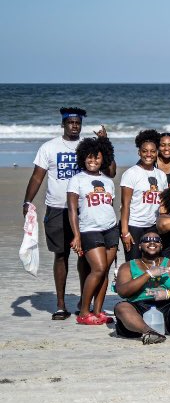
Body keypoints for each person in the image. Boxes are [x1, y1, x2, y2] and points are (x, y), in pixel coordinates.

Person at [25, 107, 102, 320]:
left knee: (85, 256)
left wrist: (104, 143)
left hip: (84, 209)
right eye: (70, 122)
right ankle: (60, 304)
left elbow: (106, 170)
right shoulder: (49, 147)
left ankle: (82, 302)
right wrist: (27, 201)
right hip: (57, 209)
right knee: (61, 255)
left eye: (78, 123)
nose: (74, 126)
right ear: (63, 124)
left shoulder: (86, 147)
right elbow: (37, 177)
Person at [66, 135, 119, 325]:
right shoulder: (77, 180)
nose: (93, 161)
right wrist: (76, 235)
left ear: (103, 158)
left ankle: (98, 311)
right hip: (89, 230)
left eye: (97, 157)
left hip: (111, 229)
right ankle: (83, 311)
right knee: (98, 269)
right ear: (83, 158)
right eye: (89, 157)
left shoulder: (108, 181)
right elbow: (72, 210)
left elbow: (108, 206)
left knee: (104, 272)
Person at [119, 129, 166, 261]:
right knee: (133, 263)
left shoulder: (161, 175)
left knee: (153, 262)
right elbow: (125, 205)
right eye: (144, 151)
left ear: (157, 152)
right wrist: (124, 232)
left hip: (153, 225)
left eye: (152, 151)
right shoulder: (131, 173)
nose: (148, 154)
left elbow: (162, 203)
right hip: (134, 226)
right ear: (139, 152)